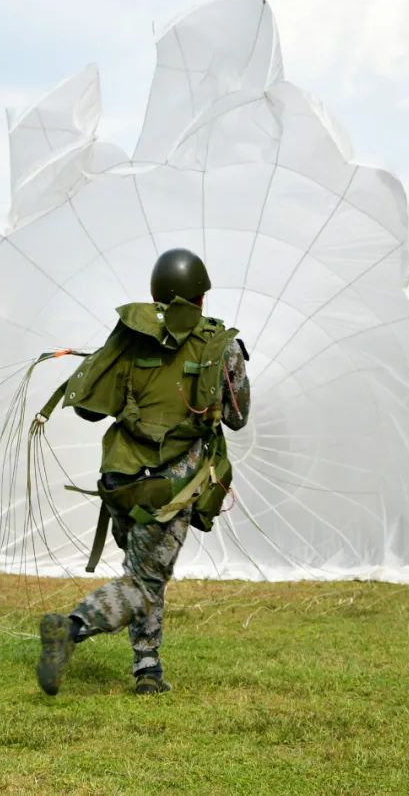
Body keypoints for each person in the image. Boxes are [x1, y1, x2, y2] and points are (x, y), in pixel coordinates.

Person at [34, 248, 250, 696]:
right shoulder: (221, 346)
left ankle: (147, 668)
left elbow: (91, 409)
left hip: (120, 478)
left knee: (145, 569)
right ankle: (70, 628)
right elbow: (237, 417)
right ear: (201, 297)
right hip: (169, 485)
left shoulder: (130, 335)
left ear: (155, 294)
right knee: (145, 579)